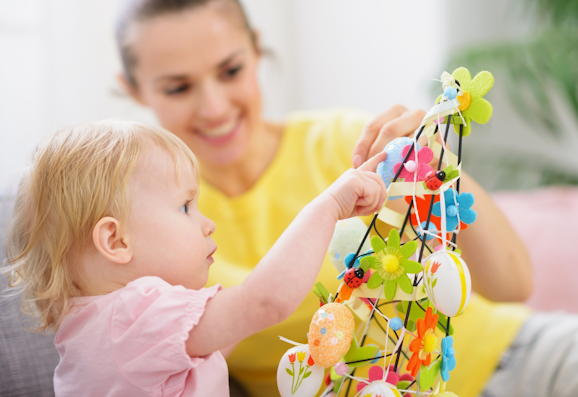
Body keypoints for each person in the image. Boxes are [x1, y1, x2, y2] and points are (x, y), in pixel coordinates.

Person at [113, 0, 578, 396]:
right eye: (179, 86)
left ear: (256, 49)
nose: (214, 106)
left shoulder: (344, 141)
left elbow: (512, 286)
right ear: (132, 88)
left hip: (519, 355)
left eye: (230, 70)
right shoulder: (150, 219)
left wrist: (438, 165)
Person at [3, 121, 388, 396]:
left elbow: (220, 339)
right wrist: (328, 206)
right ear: (115, 240)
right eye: (186, 207)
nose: (208, 223)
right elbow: (265, 302)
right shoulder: (134, 317)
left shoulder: (103, 326)